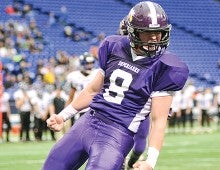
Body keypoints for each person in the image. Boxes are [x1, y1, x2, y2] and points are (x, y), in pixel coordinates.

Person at [43, 1, 189, 170]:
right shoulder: (114, 46)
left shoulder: (165, 66)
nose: (155, 37)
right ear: (133, 32)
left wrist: (151, 161)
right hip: (88, 121)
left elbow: (158, 120)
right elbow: (92, 91)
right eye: (148, 33)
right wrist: (63, 116)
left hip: (116, 134)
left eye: (158, 32)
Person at [117, 16, 151, 170]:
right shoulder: (114, 52)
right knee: (117, 145)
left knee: (139, 147)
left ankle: (131, 164)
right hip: (118, 109)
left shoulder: (151, 57)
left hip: (141, 108)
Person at [64, 52, 99, 126]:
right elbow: (71, 96)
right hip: (79, 109)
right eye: (87, 63)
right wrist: (64, 113)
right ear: (82, 63)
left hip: (94, 108)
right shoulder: (74, 76)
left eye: (91, 63)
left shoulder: (97, 74)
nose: (90, 65)